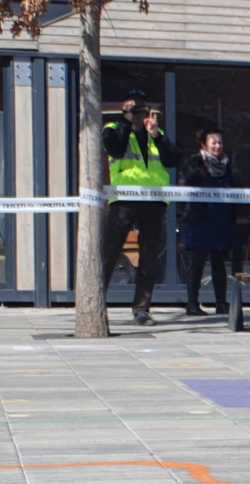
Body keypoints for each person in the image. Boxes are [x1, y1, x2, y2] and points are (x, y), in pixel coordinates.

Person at [101, 89, 179, 326]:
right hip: (124, 199)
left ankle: (142, 308)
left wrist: (157, 136)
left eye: (142, 111)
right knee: (110, 253)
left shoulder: (156, 133)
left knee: (149, 257)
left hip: (154, 201)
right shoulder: (113, 129)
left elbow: (173, 159)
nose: (139, 115)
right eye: (134, 111)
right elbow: (114, 149)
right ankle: (97, 302)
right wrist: (126, 123)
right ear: (125, 111)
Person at [179, 128, 234, 316]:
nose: (218, 146)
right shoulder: (194, 162)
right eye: (214, 142)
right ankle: (192, 304)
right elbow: (185, 184)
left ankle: (221, 303)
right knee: (197, 263)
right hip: (198, 218)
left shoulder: (228, 164)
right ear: (204, 144)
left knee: (219, 263)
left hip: (221, 219)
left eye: (220, 142)